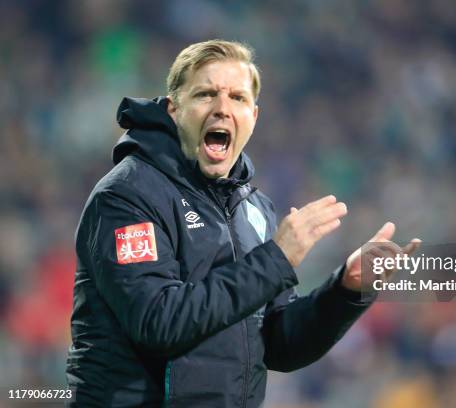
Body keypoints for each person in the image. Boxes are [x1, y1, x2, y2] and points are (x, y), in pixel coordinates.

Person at [66, 39, 419, 407]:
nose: (222, 109)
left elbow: (278, 345)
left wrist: (345, 290)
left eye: (237, 97)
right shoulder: (128, 196)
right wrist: (276, 259)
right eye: (205, 95)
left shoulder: (253, 207)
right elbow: (158, 321)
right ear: (173, 110)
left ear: (254, 115)